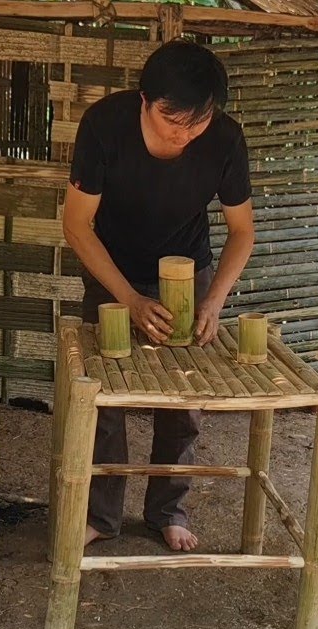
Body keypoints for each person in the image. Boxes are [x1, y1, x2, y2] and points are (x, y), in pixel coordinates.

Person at [62, 39, 255, 552]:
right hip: (110, 267)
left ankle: (168, 510)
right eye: (174, 119)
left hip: (186, 271)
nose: (185, 133)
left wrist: (212, 301)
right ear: (144, 99)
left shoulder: (226, 140)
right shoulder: (104, 125)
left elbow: (242, 231)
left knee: (184, 397)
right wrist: (126, 296)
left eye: (198, 122)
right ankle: (102, 517)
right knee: (104, 393)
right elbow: (77, 226)